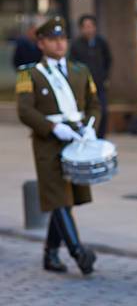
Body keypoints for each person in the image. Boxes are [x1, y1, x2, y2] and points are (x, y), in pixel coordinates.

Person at [16, 17, 100, 275]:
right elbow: (25, 110)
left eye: (62, 38)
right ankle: (78, 252)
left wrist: (89, 126)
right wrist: (53, 128)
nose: (59, 43)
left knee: (66, 198)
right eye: (53, 39)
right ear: (41, 43)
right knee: (58, 196)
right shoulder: (29, 74)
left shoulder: (80, 70)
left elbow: (93, 104)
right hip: (48, 144)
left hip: (77, 140)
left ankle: (50, 254)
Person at [70, 14, 112, 138]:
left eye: (91, 26)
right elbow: (72, 64)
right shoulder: (76, 45)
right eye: (85, 27)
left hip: (99, 85)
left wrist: (104, 76)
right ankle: (87, 137)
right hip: (83, 86)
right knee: (86, 112)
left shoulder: (101, 43)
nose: (88, 29)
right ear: (81, 28)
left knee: (103, 111)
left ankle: (101, 137)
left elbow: (108, 60)